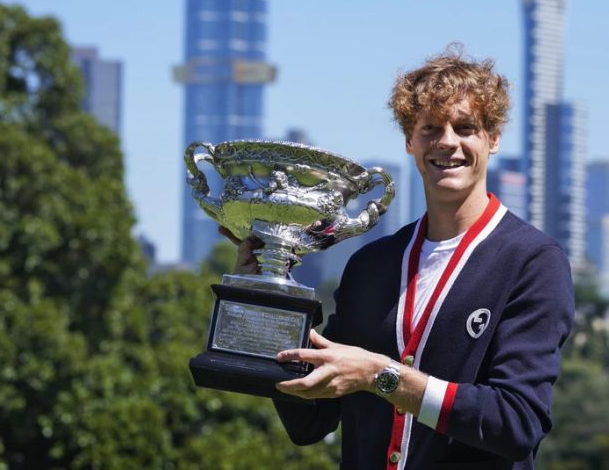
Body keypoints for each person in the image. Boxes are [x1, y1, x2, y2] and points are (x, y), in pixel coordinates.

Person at [229, 48, 575, 470]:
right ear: (410, 140)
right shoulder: (372, 264)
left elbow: (517, 423)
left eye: (465, 127)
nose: (447, 141)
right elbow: (310, 421)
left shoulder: (532, 261)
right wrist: (265, 297)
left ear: (493, 137)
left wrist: (383, 377)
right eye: (430, 128)